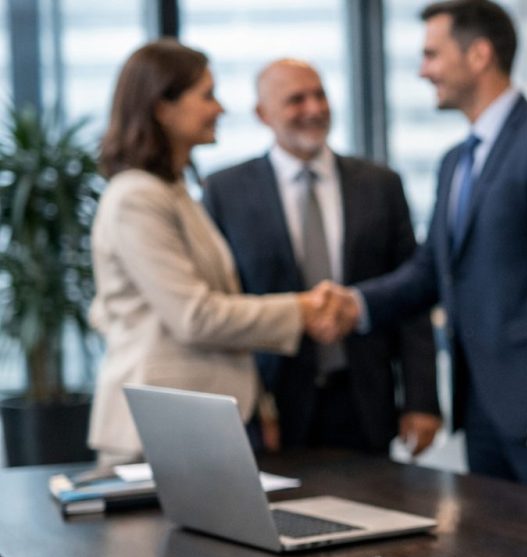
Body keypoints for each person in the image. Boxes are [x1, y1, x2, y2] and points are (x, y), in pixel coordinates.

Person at [328, 0, 527, 501]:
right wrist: (355, 304)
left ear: (479, 55)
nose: (423, 70)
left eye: (432, 54)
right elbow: (432, 269)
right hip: (484, 406)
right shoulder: (456, 160)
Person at [88, 40, 348, 471]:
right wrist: (301, 309)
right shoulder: (135, 197)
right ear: (162, 108)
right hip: (158, 434)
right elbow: (194, 316)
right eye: (206, 96)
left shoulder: (176, 194)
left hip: (200, 425)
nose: (220, 109)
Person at [203, 59, 442, 456]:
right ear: (263, 114)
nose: (314, 109)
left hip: (365, 400)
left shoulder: (380, 184)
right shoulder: (224, 191)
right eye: (296, 100)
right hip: (274, 407)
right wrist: (251, 405)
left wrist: (421, 400)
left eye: (320, 95)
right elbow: (224, 303)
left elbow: (412, 295)